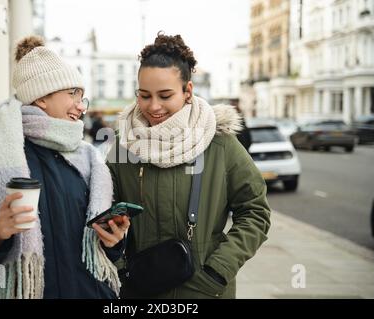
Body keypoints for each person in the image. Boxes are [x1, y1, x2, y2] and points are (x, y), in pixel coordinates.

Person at [106, 33, 271, 299]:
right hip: (140, 291)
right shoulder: (123, 146)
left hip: (205, 291)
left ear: (188, 91)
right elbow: (105, 213)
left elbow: (255, 212)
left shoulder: (221, 144)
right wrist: (122, 269)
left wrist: (217, 272)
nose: (154, 106)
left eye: (165, 95)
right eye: (144, 95)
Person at [0, 36, 129, 299]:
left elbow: (103, 254)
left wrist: (115, 241)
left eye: (82, 97)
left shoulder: (89, 159)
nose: (81, 106)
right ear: (41, 98)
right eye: (72, 94)